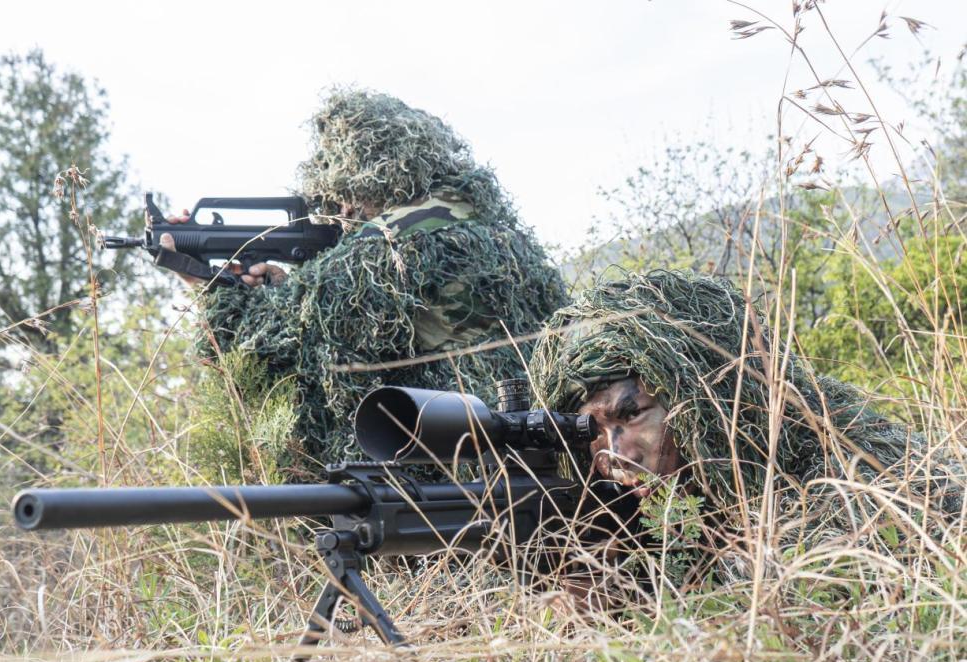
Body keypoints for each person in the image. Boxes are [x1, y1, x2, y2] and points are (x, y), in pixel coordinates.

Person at [158, 89, 569, 481]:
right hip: (543, 441)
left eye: (342, 197)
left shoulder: (386, 242)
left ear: (361, 174)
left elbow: (268, 349)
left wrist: (204, 282)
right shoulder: (484, 221)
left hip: (465, 467)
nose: (341, 211)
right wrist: (282, 290)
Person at [530, 269, 961, 584]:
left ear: (703, 402)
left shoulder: (835, 472)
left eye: (633, 415)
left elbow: (808, 593)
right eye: (593, 432)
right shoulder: (626, 515)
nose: (617, 455)